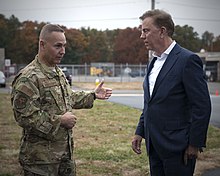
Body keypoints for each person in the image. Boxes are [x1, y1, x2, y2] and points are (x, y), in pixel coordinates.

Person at [11, 24, 112, 176]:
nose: (63, 51)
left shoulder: (56, 71)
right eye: (58, 46)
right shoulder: (29, 78)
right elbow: (25, 117)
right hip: (41, 163)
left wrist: (92, 95)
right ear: (42, 45)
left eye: (64, 46)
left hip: (64, 156)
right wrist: (60, 121)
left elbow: (67, 97)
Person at [131, 9, 211, 176]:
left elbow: (201, 106)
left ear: (162, 31)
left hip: (178, 147)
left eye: (146, 30)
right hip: (154, 145)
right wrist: (140, 131)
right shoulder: (153, 62)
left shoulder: (187, 60)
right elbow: (150, 103)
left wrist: (194, 144)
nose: (141, 36)